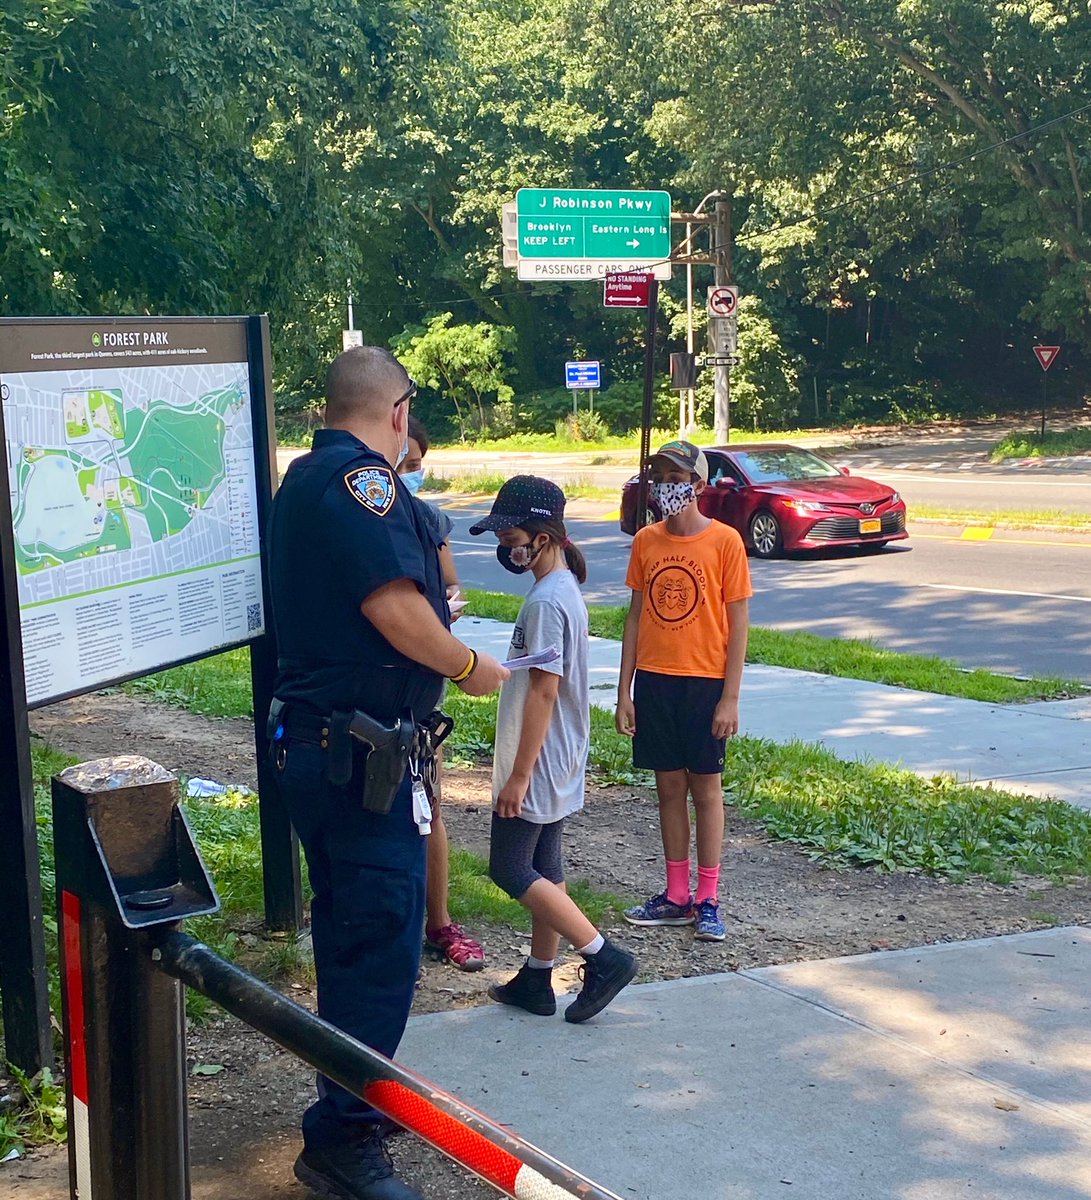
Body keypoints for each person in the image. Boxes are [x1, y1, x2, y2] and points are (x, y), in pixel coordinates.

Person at [266, 346, 508, 1200]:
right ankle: (345, 1139)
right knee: (378, 950)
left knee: (350, 939)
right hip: (355, 759)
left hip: (327, 749)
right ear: (399, 411)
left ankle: (345, 1108)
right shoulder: (361, 486)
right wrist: (469, 663)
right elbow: (394, 607)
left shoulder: (303, 480)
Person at [469, 476, 638, 1023]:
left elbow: (543, 689)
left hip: (537, 757)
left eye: (512, 533)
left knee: (510, 867)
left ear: (543, 534)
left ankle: (603, 956)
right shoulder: (562, 590)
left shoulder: (546, 601)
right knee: (545, 862)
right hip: (561, 751)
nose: (506, 545)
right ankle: (538, 978)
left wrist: (519, 776)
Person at [615, 439, 751, 943]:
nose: (667, 488)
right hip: (655, 680)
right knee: (668, 788)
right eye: (660, 479)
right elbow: (635, 616)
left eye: (677, 480)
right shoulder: (646, 541)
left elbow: (738, 623)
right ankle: (676, 895)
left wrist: (729, 697)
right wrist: (624, 690)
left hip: (704, 682)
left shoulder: (725, 543)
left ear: (698, 485)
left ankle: (708, 898)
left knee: (706, 789)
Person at [397, 414, 485, 971]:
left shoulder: (429, 519)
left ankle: (440, 925)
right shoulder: (361, 516)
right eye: (401, 464)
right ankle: (395, 925)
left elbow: (451, 584)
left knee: (426, 805)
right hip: (370, 691)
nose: (409, 475)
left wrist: (444, 608)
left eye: (416, 466)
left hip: (421, 693)